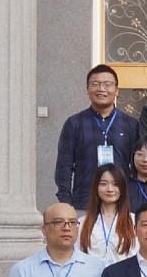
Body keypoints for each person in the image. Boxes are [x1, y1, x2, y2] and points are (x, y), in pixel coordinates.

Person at [56, 64, 141, 211]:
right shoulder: (74, 123)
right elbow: (64, 166)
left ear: (117, 90)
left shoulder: (130, 124)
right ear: (87, 89)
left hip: (122, 203)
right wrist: (66, 203)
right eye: (95, 84)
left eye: (107, 84)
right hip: (84, 202)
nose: (101, 89)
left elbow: (137, 166)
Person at [77, 165, 137, 264]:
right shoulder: (82, 222)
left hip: (123, 273)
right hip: (92, 273)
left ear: (122, 188)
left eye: (115, 184)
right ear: (96, 187)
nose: (110, 189)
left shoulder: (134, 221)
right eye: (103, 184)